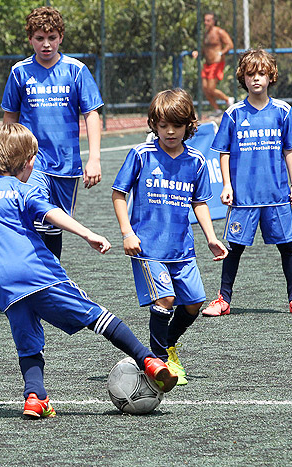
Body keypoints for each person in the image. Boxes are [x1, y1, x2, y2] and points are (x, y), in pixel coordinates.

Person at [0, 123, 177, 419]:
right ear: (28, 162)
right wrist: (87, 234)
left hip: (2, 285)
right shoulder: (20, 190)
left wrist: (3, 261)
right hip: (38, 275)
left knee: (28, 341)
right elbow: (51, 212)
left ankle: (34, 398)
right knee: (96, 316)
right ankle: (149, 360)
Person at [112, 89, 228, 385]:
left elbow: (200, 203)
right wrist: (127, 233)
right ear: (154, 124)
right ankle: (160, 360)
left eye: (176, 125)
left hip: (182, 249)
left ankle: (166, 343)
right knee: (166, 298)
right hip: (147, 247)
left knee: (194, 303)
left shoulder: (197, 160)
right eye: (163, 125)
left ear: (189, 125)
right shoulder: (141, 155)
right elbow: (119, 194)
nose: (170, 131)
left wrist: (211, 238)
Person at [202, 49, 292, 317]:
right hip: (244, 197)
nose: (256, 79)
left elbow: (289, 150)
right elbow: (224, 152)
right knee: (234, 248)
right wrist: (227, 185)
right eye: (250, 74)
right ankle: (223, 300)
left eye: (261, 73)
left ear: (270, 76)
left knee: (287, 246)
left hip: (277, 195)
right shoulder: (233, 114)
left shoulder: (283, 112)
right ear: (243, 77)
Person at [1, 6, 103, 260]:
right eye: (39, 38)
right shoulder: (19, 72)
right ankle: (34, 278)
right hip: (31, 162)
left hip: (67, 164)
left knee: (54, 225)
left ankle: (50, 279)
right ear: (30, 39)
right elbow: (10, 117)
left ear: (61, 38)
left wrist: (94, 158)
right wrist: (5, 155)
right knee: (35, 216)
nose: (46, 44)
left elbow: (91, 113)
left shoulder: (76, 70)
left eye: (52, 38)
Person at [192, 12, 234, 116]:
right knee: (205, 89)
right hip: (207, 64)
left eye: (208, 20)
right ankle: (217, 109)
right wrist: (198, 52)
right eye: (205, 20)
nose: (205, 22)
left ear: (213, 21)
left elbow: (230, 44)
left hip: (216, 63)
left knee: (211, 88)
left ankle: (228, 99)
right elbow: (205, 48)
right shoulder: (206, 33)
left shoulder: (219, 32)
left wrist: (221, 53)